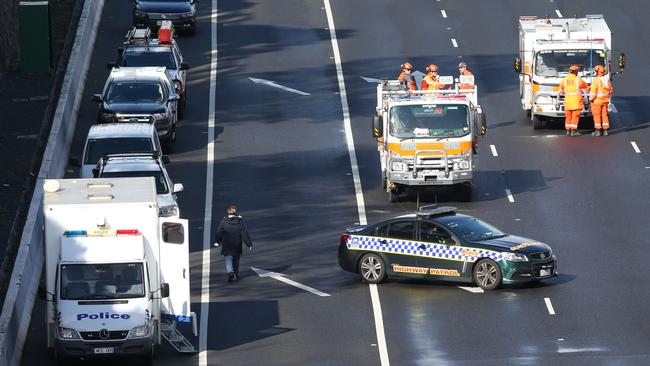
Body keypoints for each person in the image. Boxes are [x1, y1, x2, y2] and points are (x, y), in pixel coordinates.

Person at [214, 204, 253, 282]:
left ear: (228, 211)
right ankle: (236, 273)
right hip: (237, 244)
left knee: (228, 259)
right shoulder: (240, 221)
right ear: (235, 211)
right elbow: (244, 233)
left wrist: (218, 241)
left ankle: (230, 272)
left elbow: (219, 232)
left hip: (227, 244)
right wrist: (249, 244)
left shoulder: (223, 221)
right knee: (236, 260)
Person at [559, 64, 589, 136]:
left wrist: (564, 92)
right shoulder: (578, 80)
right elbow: (585, 86)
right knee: (575, 117)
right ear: (576, 72)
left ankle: (568, 130)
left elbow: (561, 88)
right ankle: (573, 131)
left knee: (568, 117)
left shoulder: (565, 79)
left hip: (568, 102)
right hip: (576, 102)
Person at [590, 64, 612, 136]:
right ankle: (605, 131)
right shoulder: (606, 80)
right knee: (604, 115)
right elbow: (610, 90)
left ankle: (598, 131)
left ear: (598, 72)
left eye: (596, 71)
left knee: (597, 116)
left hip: (597, 101)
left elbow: (593, 92)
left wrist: (590, 99)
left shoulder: (596, 80)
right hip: (605, 101)